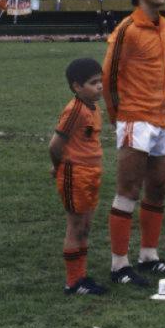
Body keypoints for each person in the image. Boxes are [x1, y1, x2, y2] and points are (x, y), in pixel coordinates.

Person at [102, 0, 165, 287]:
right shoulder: (126, 30)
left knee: (158, 188)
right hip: (135, 118)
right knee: (128, 190)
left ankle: (149, 255)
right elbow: (108, 79)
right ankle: (119, 264)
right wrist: (121, 118)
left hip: (163, 118)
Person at [48, 58, 106, 295]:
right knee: (75, 226)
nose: (100, 86)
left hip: (91, 173)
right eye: (93, 83)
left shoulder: (94, 107)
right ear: (77, 87)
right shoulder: (74, 110)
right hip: (75, 173)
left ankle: (81, 276)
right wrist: (58, 167)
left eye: (100, 81)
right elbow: (54, 145)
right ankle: (73, 281)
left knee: (86, 226)